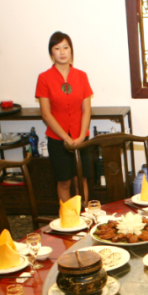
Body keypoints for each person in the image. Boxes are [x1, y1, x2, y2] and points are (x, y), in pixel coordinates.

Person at [36, 31, 93, 202]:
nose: (62, 52)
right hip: (57, 139)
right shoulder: (44, 78)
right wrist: (65, 138)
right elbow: (46, 114)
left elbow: (86, 110)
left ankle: (85, 215)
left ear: (71, 50)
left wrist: (81, 136)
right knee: (64, 182)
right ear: (51, 53)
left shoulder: (81, 76)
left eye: (66, 47)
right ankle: (68, 217)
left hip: (81, 137)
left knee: (81, 180)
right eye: (57, 48)